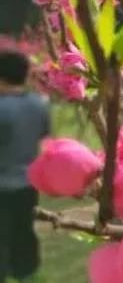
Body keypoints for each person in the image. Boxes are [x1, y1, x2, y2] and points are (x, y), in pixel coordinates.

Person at [0, 49, 49, 282]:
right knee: (24, 231)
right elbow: (43, 134)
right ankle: (26, 273)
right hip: (28, 182)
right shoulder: (38, 104)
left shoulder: (3, 108)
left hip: (3, 184)